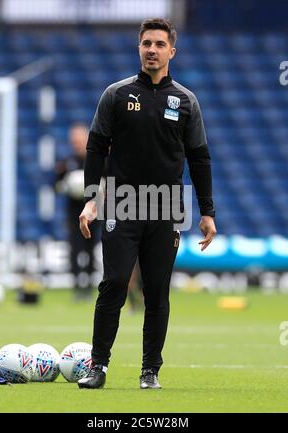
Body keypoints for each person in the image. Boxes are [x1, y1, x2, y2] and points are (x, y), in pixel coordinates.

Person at [78, 18, 216, 389]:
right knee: (115, 283)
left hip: (167, 205)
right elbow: (95, 148)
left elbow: (199, 157)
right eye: (146, 44)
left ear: (172, 51)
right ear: (138, 48)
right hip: (121, 202)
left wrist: (207, 212)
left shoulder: (186, 102)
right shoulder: (116, 95)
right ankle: (98, 367)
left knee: (157, 289)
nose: (151, 50)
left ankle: (149, 370)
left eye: (159, 44)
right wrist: (91, 200)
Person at [56, 123, 100, 301]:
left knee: (90, 248)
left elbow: (108, 182)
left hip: (94, 212)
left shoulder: (97, 160)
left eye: (79, 140)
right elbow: (57, 186)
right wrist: (67, 185)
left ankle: (88, 285)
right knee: (75, 249)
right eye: (74, 141)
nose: (77, 144)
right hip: (74, 212)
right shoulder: (67, 163)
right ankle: (76, 286)